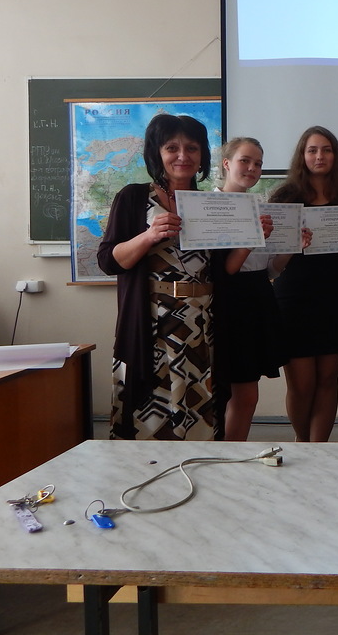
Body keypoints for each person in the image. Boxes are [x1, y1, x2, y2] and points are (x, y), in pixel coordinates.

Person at [98, 113, 250, 440]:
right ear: (157, 153)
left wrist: (251, 240)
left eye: (192, 148)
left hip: (202, 325)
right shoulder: (134, 197)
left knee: (200, 412)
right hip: (152, 323)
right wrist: (148, 236)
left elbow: (224, 271)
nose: (183, 156)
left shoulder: (210, 203)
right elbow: (108, 261)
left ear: (202, 155)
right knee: (148, 417)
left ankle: (198, 468)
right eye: (172, 148)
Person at [270, 126, 338, 442]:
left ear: (335, 155)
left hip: (336, 296)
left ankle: (319, 449)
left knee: (327, 381)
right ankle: (302, 444)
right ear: (303, 155)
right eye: (312, 150)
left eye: (326, 149)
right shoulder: (285, 197)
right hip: (293, 297)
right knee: (300, 385)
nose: (319, 156)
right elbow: (273, 257)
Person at [210, 137, 282, 441]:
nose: (252, 168)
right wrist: (252, 238)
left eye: (258, 164)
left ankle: (232, 456)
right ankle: (215, 454)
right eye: (245, 161)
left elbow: (271, 270)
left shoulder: (260, 209)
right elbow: (225, 270)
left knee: (248, 395)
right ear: (227, 164)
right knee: (218, 394)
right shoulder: (207, 207)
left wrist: (293, 248)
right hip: (224, 303)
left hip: (256, 300)